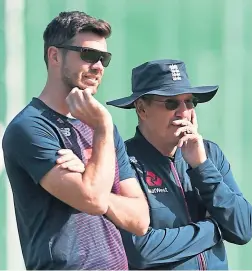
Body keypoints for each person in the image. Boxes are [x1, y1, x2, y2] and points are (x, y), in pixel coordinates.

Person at [2, 11, 149, 270]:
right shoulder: (30, 128)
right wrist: (102, 129)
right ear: (55, 55)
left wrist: (87, 174)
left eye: (104, 58)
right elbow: (92, 201)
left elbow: (139, 219)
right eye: (89, 55)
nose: (98, 66)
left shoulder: (102, 126)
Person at [106, 59, 252, 270]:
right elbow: (141, 251)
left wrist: (201, 166)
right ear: (141, 109)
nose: (183, 112)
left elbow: (243, 228)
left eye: (190, 101)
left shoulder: (208, 154)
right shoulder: (122, 163)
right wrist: (214, 228)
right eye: (171, 103)